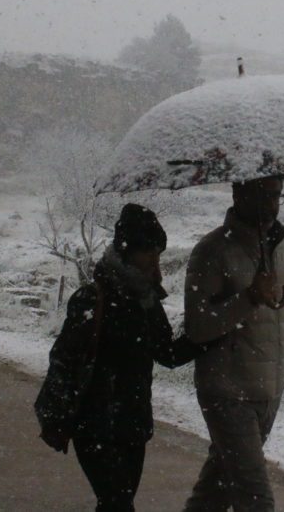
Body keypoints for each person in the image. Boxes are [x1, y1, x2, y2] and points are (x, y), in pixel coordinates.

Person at [39, 203, 202, 512]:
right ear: (127, 251)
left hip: (133, 426)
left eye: (159, 255)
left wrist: (212, 331)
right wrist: (59, 417)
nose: (156, 265)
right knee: (118, 504)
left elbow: (167, 353)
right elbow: (63, 359)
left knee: (115, 503)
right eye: (150, 254)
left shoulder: (147, 300)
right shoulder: (92, 298)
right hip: (94, 427)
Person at [183, 175, 284, 512]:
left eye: (277, 195)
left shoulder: (282, 246)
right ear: (238, 193)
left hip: (268, 389)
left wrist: (281, 376)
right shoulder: (212, 251)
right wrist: (249, 298)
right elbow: (198, 328)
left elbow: (279, 317)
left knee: (216, 491)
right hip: (228, 393)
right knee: (255, 499)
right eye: (264, 195)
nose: (272, 205)